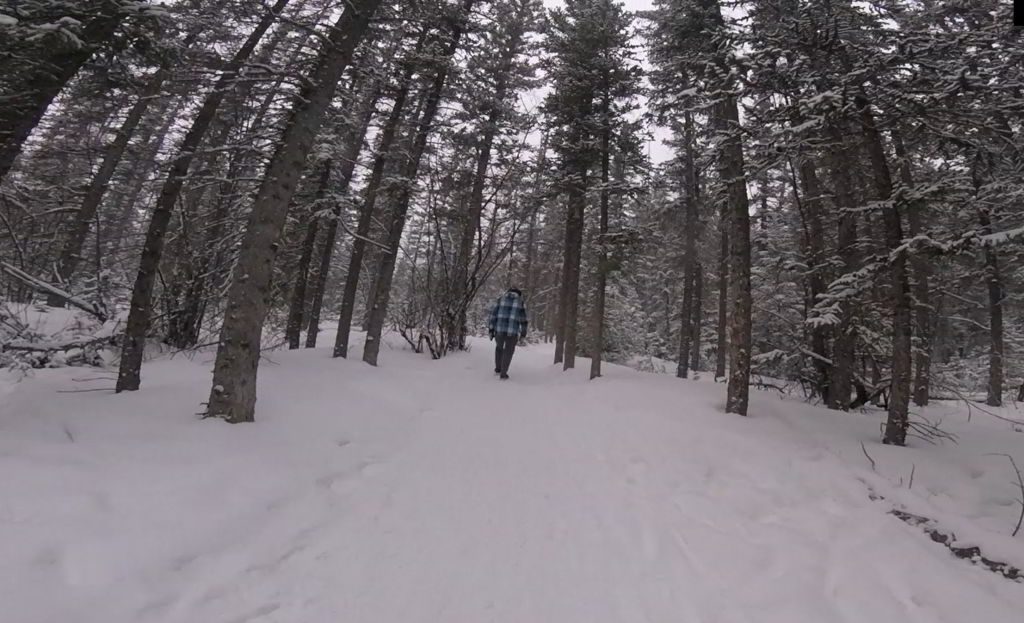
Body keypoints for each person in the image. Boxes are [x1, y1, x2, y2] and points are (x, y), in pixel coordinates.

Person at [487, 287, 528, 380]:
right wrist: (523, 333)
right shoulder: (520, 302)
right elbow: (524, 320)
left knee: (499, 349)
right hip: (512, 331)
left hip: (499, 330)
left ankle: (498, 369)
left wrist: (491, 330)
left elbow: (493, 315)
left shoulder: (500, 299)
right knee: (508, 351)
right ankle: (503, 373)